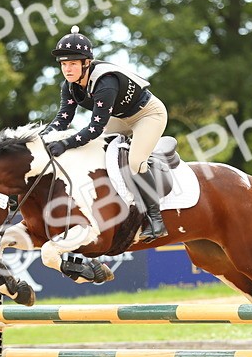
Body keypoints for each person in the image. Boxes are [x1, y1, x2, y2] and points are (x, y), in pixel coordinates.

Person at [43, 26, 169, 240]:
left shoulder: (105, 83)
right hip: (120, 117)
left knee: (135, 161)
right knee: (97, 154)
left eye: (73, 63)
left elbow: (95, 127)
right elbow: (64, 118)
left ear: (86, 63)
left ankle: (156, 220)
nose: (67, 69)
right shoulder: (70, 86)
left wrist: (65, 144)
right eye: (64, 64)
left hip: (148, 114)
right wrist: (43, 138)